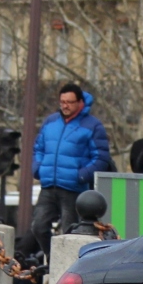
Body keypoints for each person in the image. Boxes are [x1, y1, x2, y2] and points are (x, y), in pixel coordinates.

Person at [31, 83, 111, 256]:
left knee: (70, 233)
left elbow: (101, 158)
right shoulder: (51, 122)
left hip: (73, 189)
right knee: (38, 227)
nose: (65, 106)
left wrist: (80, 176)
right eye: (62, 102)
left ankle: (66, 267)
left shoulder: (92, 125)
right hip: (48, 186)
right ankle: (54, 262)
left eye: (69, 102)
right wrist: (38, 168)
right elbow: (38, 148)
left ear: (80, 103)